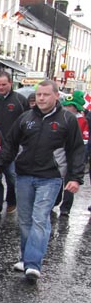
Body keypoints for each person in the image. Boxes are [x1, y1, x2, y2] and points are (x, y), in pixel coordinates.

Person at [0, 80, 84, 282]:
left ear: (56, 96)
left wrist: (75, 178)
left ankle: (33, 264)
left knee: (40, 218)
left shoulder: (67, 119)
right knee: (25, 220)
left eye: (46, 95)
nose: (41, 98)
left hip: (50, 178)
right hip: (24, 175)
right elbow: (10, 144)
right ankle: (26, 258)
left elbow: (76, 150)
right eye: (39, 95)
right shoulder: (25, 118)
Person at [0, 73, 27, 218]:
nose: (1, 87)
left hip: (13, 145)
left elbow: (27, 121)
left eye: (4, 84)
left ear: (10, 83)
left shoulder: (20, 100)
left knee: (11, 175)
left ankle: (11, 201)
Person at [58, 91, 89, 219]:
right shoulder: (62, 118)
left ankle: (65, 208)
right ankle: (54, 201)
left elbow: (84, 140)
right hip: (61, 154)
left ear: (75, 107)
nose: (66, 107)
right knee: (57, 180)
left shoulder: (82, 121)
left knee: (69, 181)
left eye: (69, 105)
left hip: (73, 155)